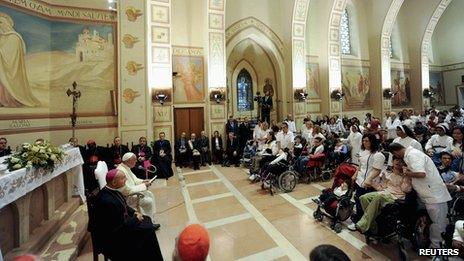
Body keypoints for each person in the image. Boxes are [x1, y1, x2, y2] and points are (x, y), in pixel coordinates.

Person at [389, 143, 452, 248]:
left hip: (435, 196)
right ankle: (433, 246)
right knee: (432, 222)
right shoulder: (410, 155)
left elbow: (421, 174)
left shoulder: (413, 155)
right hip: (428, 195)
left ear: (395, 152)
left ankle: (437, 249)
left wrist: (407, 173)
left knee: (438, 224)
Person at [91, 169, 163, 260]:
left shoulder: (111, 190)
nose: (126, 180)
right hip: (114, 239)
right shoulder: (107, 201)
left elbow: (123, 205)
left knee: (147, 220)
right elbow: (121, 227)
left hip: (120, 227)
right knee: (147, 231)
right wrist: (136, 219)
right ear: (114, 182)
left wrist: (134, 212)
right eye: (123, 178)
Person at [348, 157, 412, 233]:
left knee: (378, 197)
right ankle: (373, 225)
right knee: (363, 197)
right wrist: (374, 183)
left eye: (401, 161)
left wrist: (406, 176)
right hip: (385, 192)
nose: (398, 162)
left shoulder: (405, 176)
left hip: (396, 197)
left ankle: (361, 225)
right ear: (392, 161)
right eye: (397, 160)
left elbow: (406, 189)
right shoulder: (389, 174)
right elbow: (383, 187)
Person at [0, 12, 40, 107]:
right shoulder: (2, 37)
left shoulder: (14, 38)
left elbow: (11, 57)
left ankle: (9, 99)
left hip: (10, 71)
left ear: (6, 24)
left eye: (0, 23)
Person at [350, 134, 385, 223]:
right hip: (360, 180)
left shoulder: (378, 155)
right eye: (363, 140)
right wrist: (355, 174)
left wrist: (368, 180)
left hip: (369, 183)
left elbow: (377, 170)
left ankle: (365, 222)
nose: (364, 143)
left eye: (367, 141)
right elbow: (360, 166)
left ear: (372, 142)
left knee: (365, 204)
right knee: (358, 200)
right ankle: (358, 220)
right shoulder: (362, 151)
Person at [117, 152, 158, 224]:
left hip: (133, 191)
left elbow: (135, 179)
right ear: (127, 161)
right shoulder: (121, 171)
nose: (136, 161)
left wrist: (143, 181)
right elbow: (127, 191)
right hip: (128, 197)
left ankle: (150, 218)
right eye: (134, 160)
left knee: (150, 194)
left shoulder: (126, 167)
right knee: (149, 201)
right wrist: (144, 185)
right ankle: (147, 222)